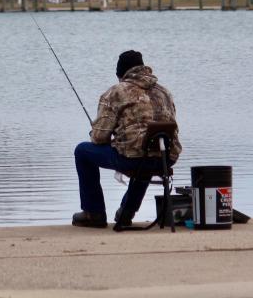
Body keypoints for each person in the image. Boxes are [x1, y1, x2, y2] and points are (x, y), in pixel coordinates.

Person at [72, 50, 182, 228]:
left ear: (120, 74)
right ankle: (127, 212)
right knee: (145, 151)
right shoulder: (164, 92)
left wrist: (96, 134)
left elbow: (100, 138)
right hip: (165, 159)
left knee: (83, 151)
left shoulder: (117, 91)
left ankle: (94, 213)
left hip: (133, 160)